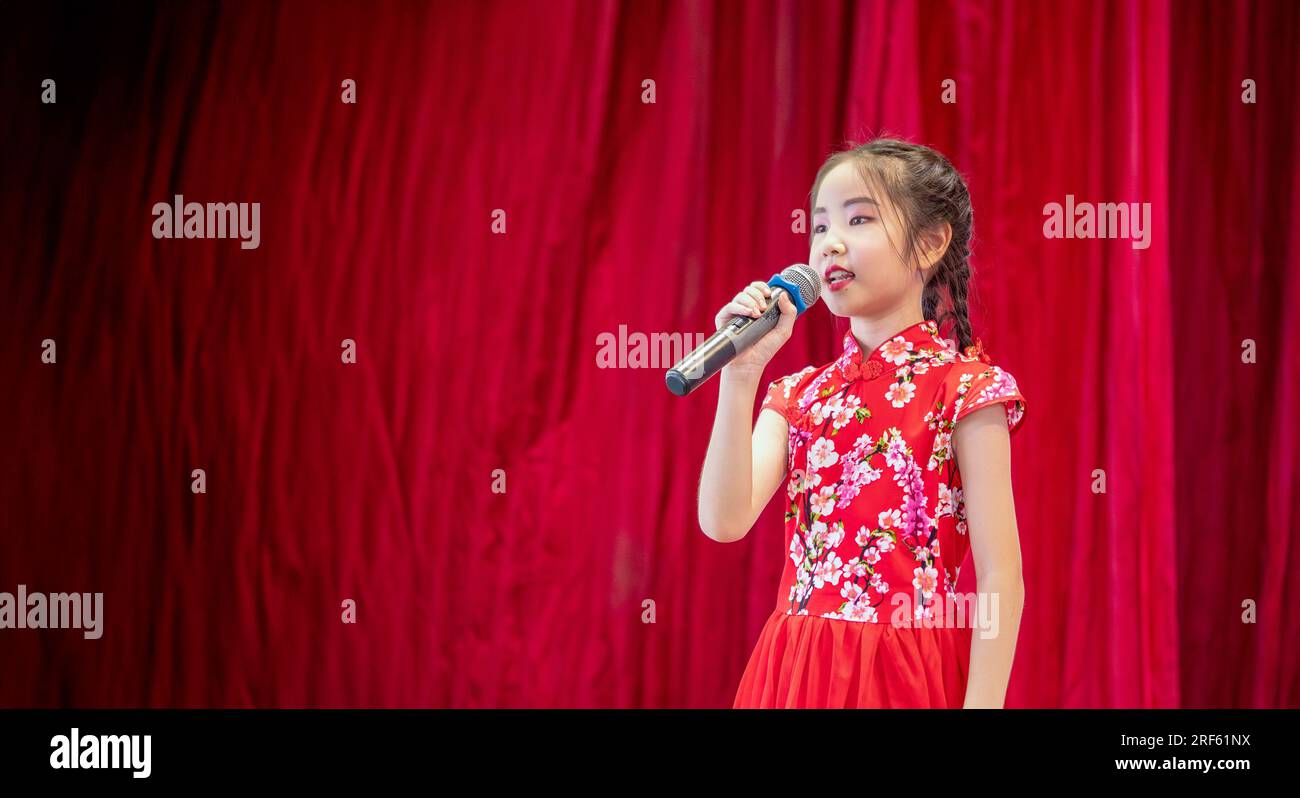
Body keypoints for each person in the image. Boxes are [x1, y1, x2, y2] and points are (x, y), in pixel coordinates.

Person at [697, 137, 1028, 709]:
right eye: (820, 226)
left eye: (858, 219)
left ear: (929, 244)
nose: (830, 244)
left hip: (904, 675)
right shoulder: (799, 394)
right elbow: (723, 521)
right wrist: (741, 372)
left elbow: (1001, 578)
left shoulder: (966, 389)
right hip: (794, 671)